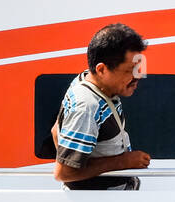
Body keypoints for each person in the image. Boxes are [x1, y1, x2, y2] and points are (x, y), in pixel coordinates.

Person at [51, 23, 151, 190]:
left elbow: (56, 130)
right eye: (129, 71)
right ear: (102, 69)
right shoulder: (86, 107)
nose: (138, 76)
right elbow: (64, 173)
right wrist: (124, 161)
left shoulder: (85, 79)